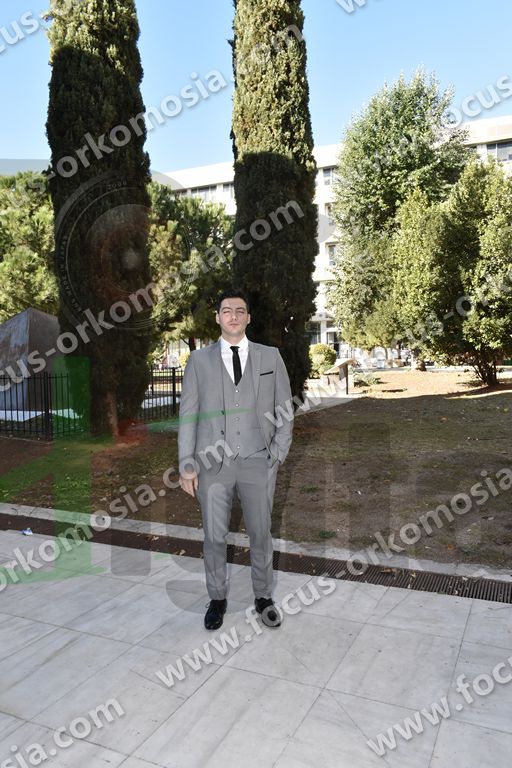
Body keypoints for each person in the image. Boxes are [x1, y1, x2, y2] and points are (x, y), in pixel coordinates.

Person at [178, 288, 293, 630]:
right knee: (214, 536)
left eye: (240, 310)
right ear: (217, 317)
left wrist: (278, 453)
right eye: (226, 310)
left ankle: (263, 597)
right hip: (212, 465)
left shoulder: (270, 357)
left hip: (259, 461)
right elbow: (188, 415)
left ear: (248, 317)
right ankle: (216, 598)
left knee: (260, 534)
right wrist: (186, 465)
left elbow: (285, 408)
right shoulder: (198, 361)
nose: (233, 316)